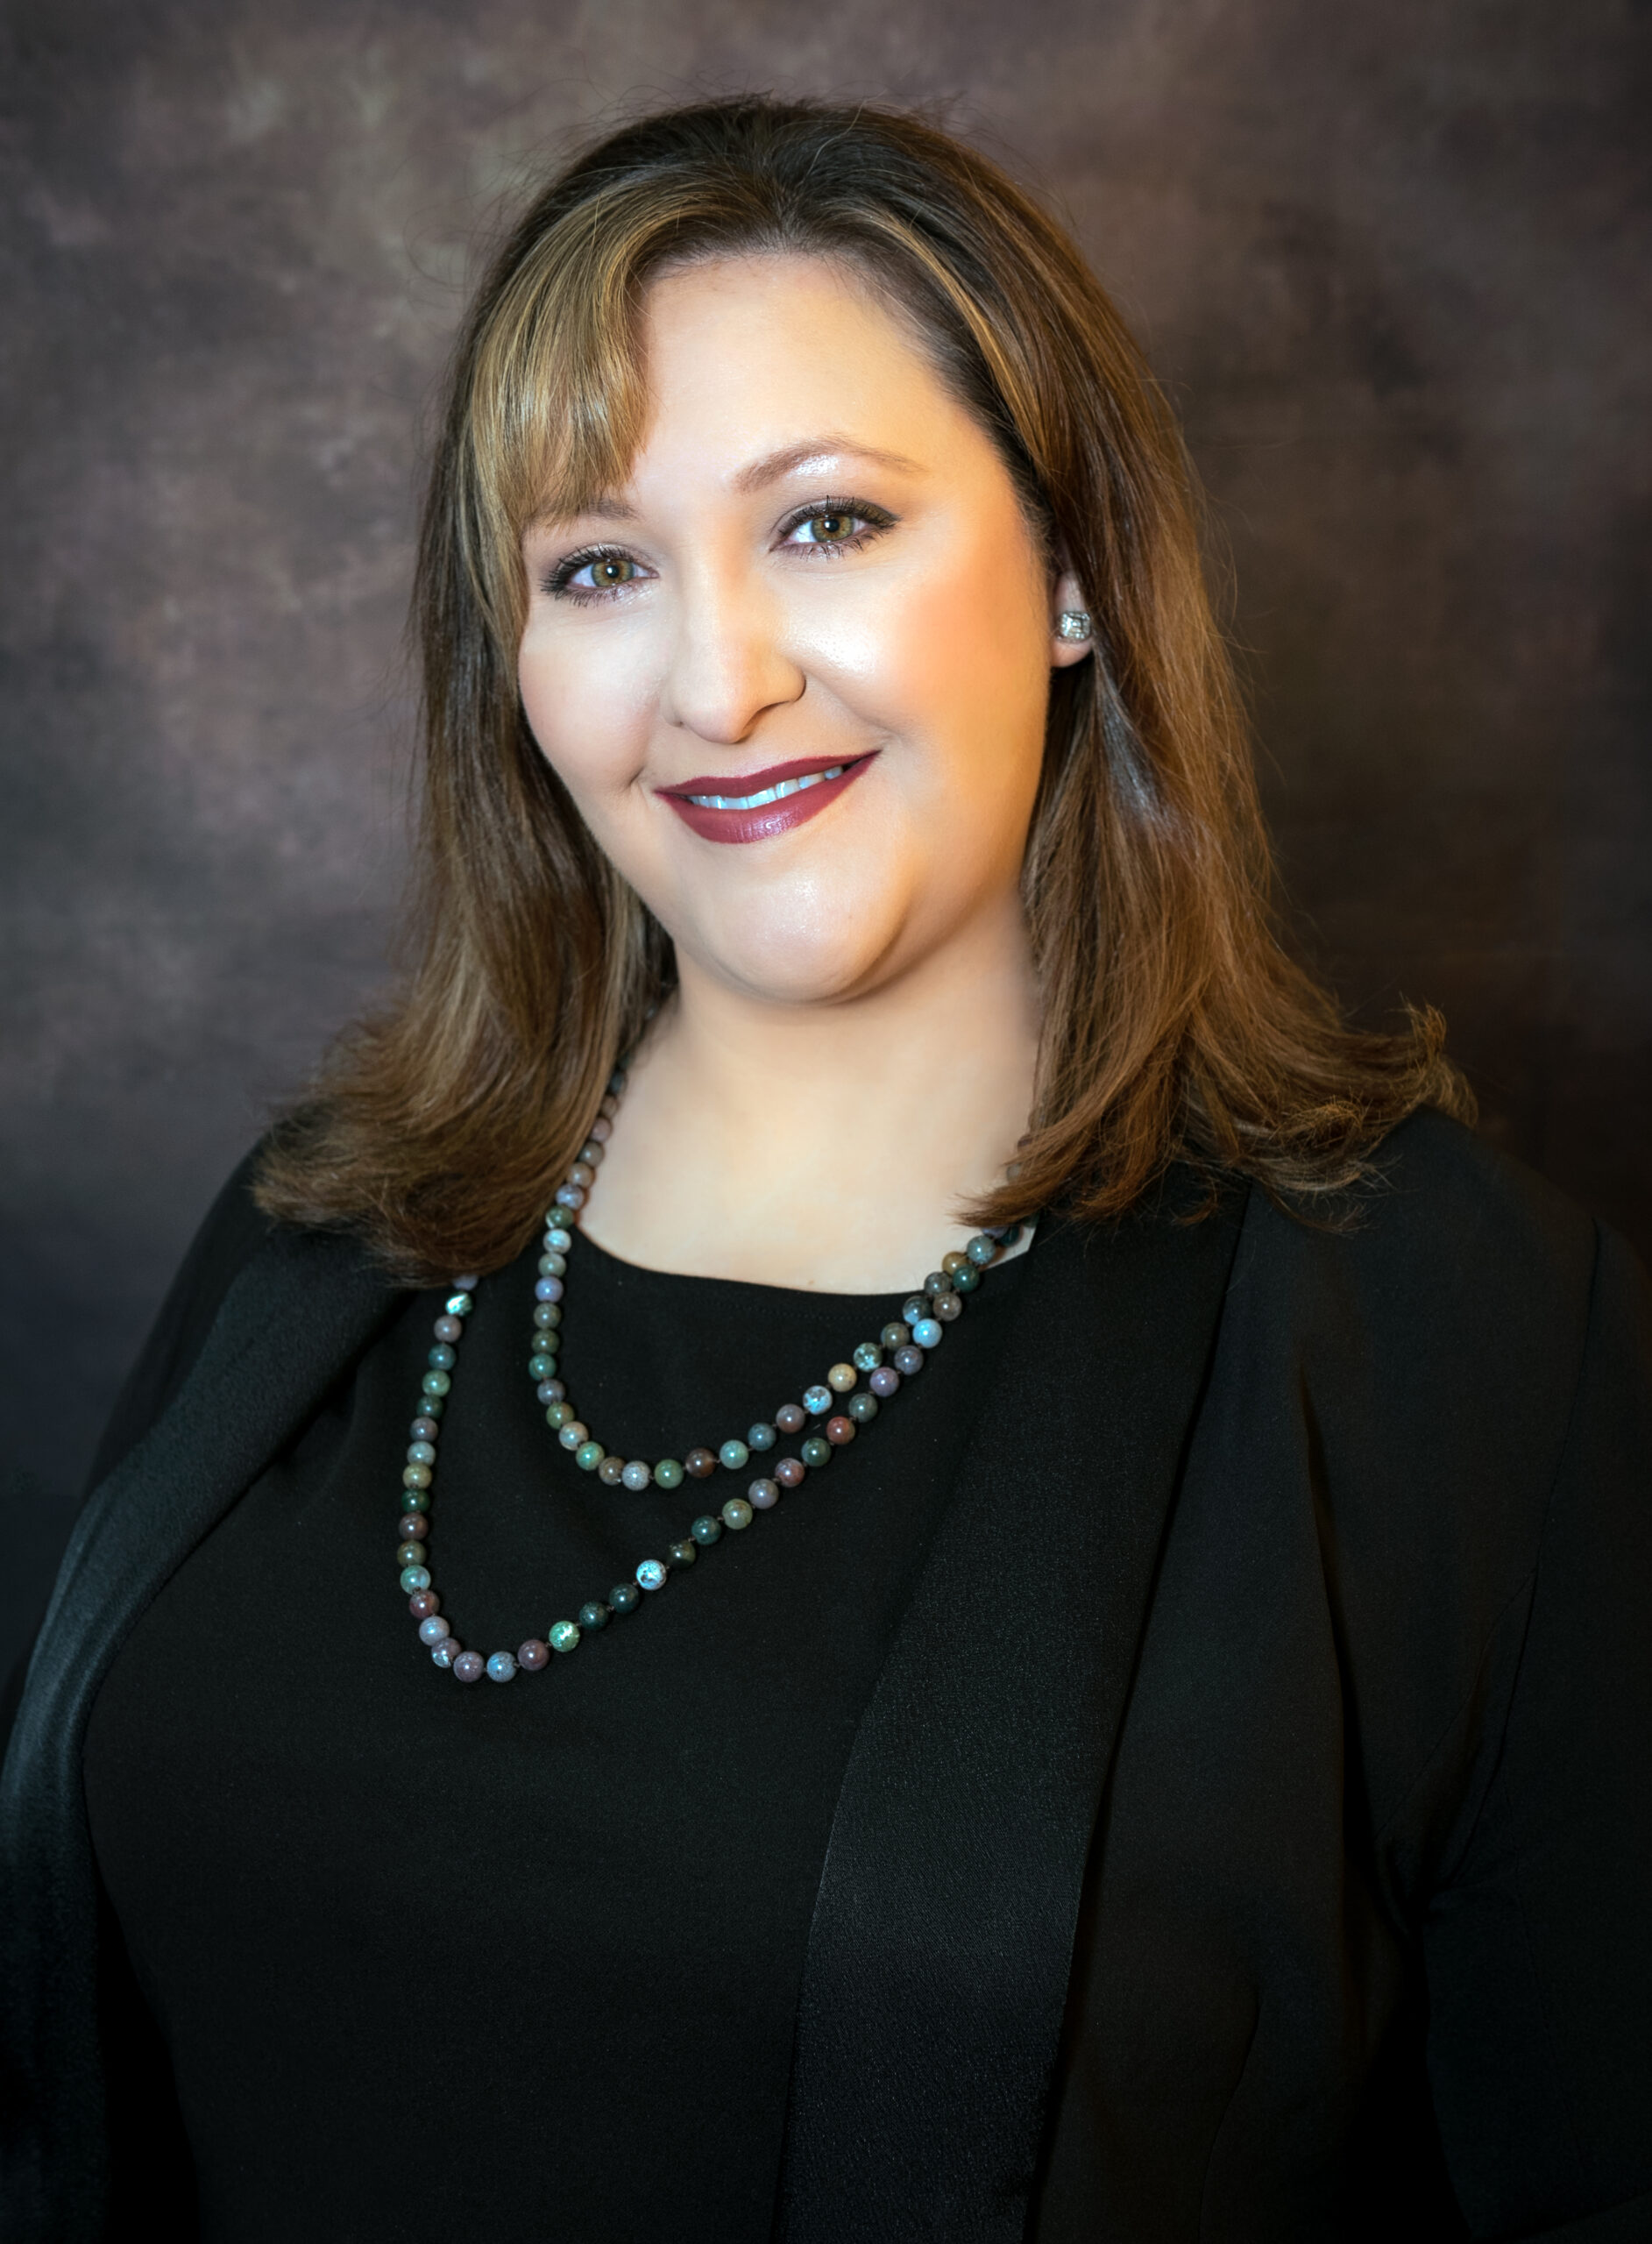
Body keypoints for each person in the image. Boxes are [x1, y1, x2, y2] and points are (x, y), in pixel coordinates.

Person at [3, 95, 1648, 2244]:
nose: (719, 679)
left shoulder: (1458, 1337)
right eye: (599, 566)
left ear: (1069, 573)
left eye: (828, 525)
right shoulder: (318, 1234)